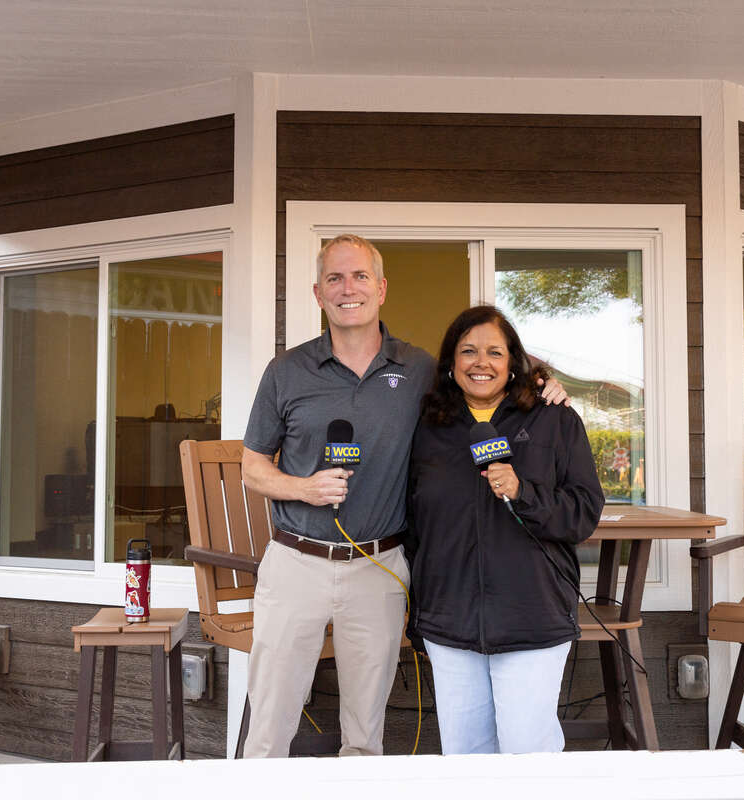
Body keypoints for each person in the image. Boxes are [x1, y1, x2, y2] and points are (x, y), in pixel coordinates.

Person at [240, 236, 566, 758]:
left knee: (366, 737)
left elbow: (484, 372)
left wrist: (545, 380)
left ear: (382, 288)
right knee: (268, 729)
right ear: (318, 293)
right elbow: (251, 466)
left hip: (379, 564)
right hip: (296, 560)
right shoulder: (285, 371)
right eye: (335, 279)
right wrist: (303, 487)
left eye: (360, 277)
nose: (349, 289)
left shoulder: (416, 370)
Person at [407, 305, 605, 755]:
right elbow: (414, 521)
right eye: (469, 351)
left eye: (495, 352)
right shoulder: (428, 426)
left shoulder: (554, 418)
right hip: (450, 621)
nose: (482, 363)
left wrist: (523, 491)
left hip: (531, 618)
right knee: (465, 756)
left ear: (514, 362)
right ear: (451, 363)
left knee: (527, 756)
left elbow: (583, 512)